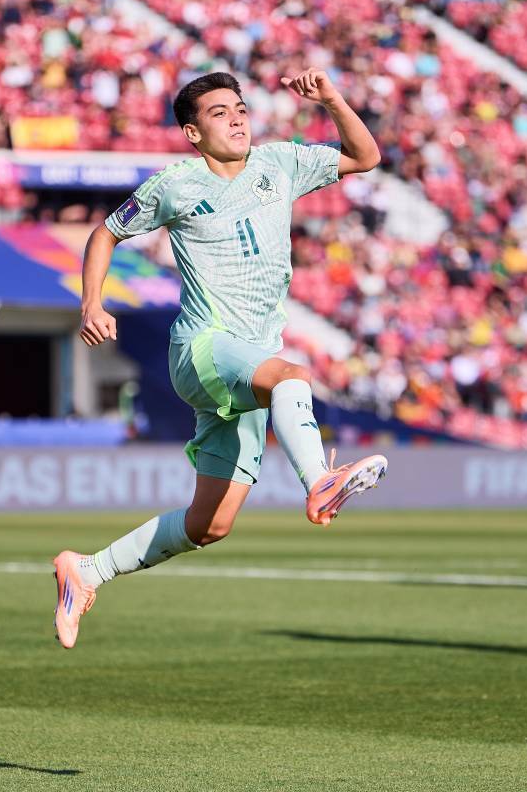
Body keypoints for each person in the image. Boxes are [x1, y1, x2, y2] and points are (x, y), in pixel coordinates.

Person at [51, 69, 387, 649]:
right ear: (192, 133)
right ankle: (320, 481)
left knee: (211, 524)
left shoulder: (281, 163)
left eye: (240, 108)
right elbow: (105, 233)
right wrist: (92, 302)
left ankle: (86, 571)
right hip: (204, 348)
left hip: (247, 363)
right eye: (218, 113)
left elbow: (365, 156)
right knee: (293, 378)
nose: (235, 118)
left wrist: (332, 98)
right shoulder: (174, 185)